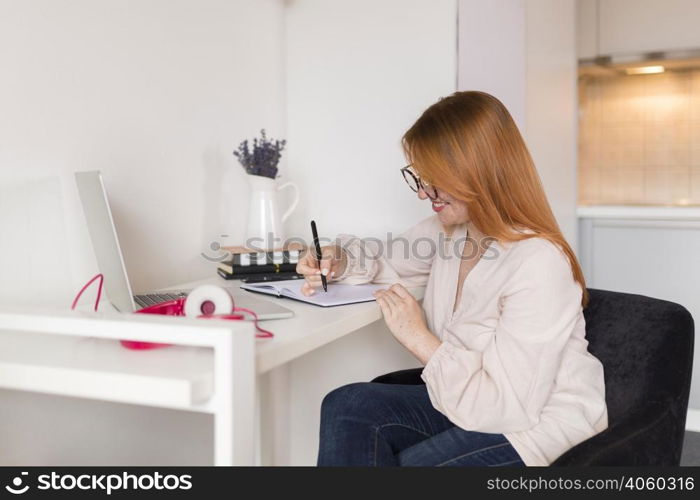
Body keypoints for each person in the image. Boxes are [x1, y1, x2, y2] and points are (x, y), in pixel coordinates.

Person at [296, 91, 608, 467]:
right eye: (420, 177)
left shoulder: (538, 262)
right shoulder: (450, 233)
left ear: (478, 173)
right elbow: (382, 258)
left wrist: (418, 337)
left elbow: (507, 408)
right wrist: (337, 259)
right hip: (465, 398)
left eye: (436, 180)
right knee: (348, 404)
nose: (425, 192)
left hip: (532, 422)